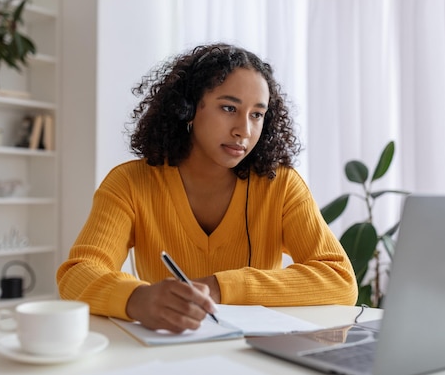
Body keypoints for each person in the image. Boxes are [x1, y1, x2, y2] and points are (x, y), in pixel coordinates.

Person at [56, 43, 357, 333]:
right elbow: (77, 273)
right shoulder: (130, 183)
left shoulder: (281, 186)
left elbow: (340, 280)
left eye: (257, 114)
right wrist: (135, 299)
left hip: (258, 359)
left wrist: (218, 287)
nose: (244, 130)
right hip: (168, 357)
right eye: (228, 108)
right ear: (186, 110)